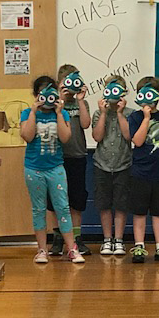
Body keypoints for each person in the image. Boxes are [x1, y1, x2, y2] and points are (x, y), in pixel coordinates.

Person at [19, 76, 84, 264]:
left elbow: (65, 138)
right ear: (36, 95)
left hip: (55, 168)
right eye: (42, 95)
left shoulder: (61, 114)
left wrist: (58, 112)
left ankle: (72, 248)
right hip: (34, 169)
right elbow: (27, 136)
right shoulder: (26, 113)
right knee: (38, 209)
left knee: (63, 207)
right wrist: (33, 111)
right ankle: (41, 250)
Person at [128, 76, 159, 263]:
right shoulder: (134, 117)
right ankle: (139, 246)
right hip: (140, 172)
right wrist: (147, 117)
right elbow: (137, 141)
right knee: (139, 212)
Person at [48, 64, 91, 256]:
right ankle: (57, 237)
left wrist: (80, 100)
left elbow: (85, 124)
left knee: (76, 199)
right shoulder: (54, 104)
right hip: (56, 157)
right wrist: (59, 99)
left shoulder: (83, 103)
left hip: (77, 156)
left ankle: (76, 238)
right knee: (55, 201)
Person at [92, 75, 134, 256]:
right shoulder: (97, 113)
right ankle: (107, 239)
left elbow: (129, 136)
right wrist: (103, 112)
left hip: (123, 164)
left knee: (121, 204)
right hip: (102, 164)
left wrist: (119, 112)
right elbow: (97, 136)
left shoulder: (130, 113)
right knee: (104, 204)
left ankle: (119, 240)